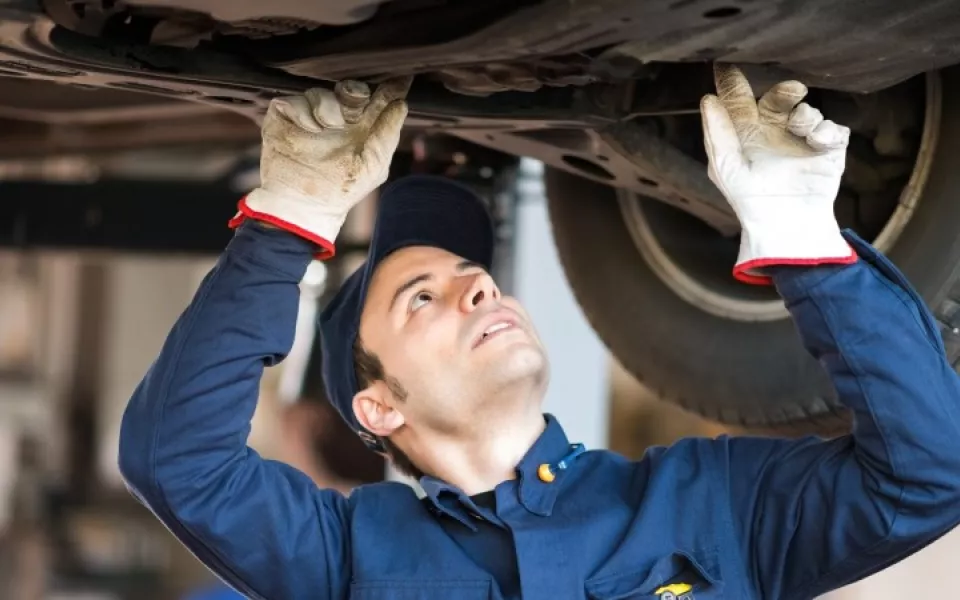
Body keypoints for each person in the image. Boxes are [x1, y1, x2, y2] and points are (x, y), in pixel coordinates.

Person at [117, 65, 960, 600]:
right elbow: (177, 462)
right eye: (421, 297)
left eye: (469, 276)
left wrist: (805, 241)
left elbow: (929, 475)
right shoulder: (346, 562)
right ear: (378, 409)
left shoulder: (715, 505)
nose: (476, 284)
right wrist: (287, 222)